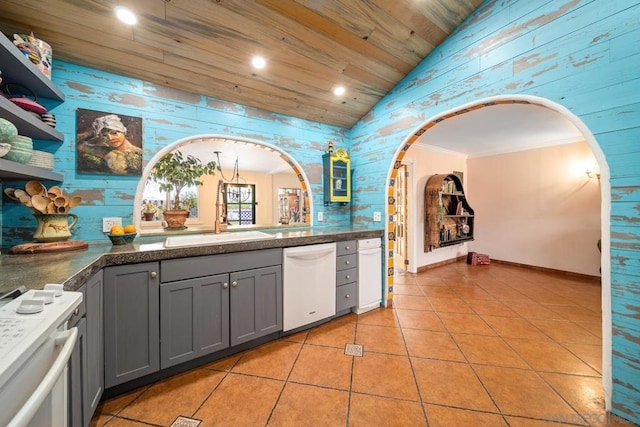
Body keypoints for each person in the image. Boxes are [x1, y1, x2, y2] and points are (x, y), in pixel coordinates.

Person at [77, 114, 142, 175]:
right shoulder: (103, 151)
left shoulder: (139, 153)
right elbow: (78, 145)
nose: (110, 138)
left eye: (114, 133)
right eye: (105, 136)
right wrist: (92, 133)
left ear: (124, 132)